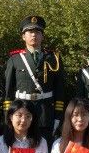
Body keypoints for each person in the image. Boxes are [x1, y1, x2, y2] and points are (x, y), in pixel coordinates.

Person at [4, 16, 65, 145]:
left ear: (42, 36)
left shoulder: (54, 58)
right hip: (22, 114)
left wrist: (58, 117)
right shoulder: (15, 59)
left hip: (45, 114)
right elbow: (8, 91)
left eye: (37, 32)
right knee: (21, 150)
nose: (34, 35)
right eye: (30, 32)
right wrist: (8, 117)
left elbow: (60, 89)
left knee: (44, 150)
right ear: (23, 36)